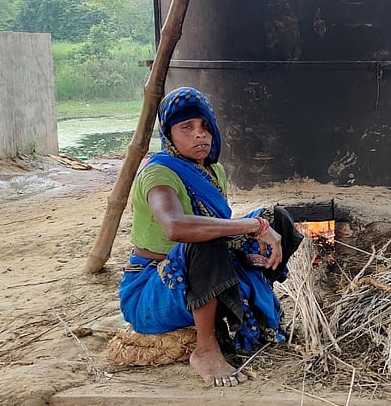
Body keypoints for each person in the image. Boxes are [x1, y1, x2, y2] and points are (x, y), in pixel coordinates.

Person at [119, 86, 302, 387]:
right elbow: (176, 227)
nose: (199, 134)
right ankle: (204, 348)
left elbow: (221, 226)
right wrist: (252, 226)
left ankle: (245, 304)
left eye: (205, 126)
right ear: (169, 134)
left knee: (276, 218)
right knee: (206, 241)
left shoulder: (213, 170)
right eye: (187, 127)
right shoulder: (158, 174)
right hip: (153, 290)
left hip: (197, 273)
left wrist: (252, 239)